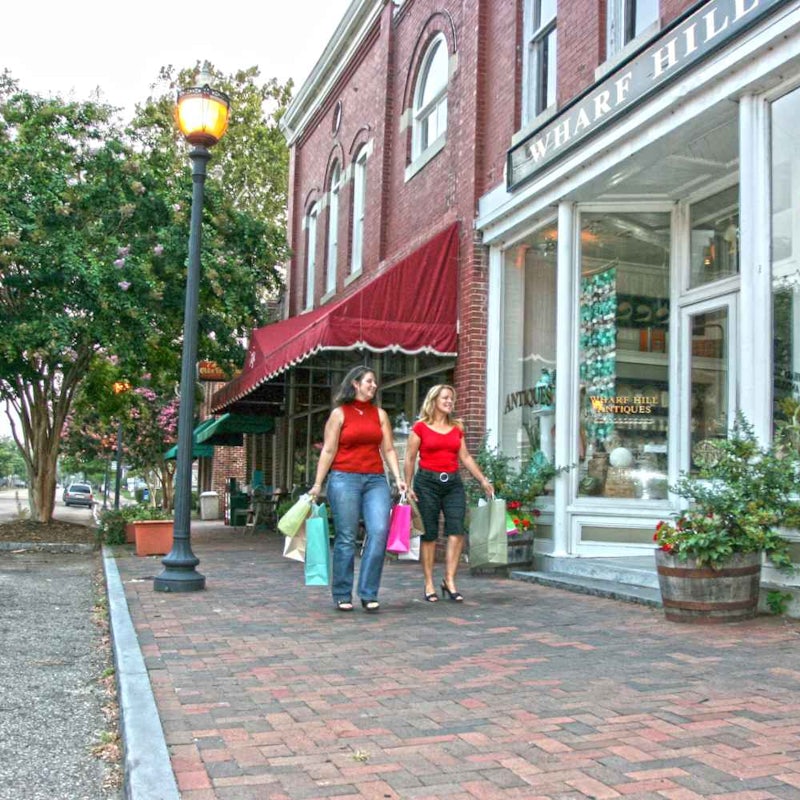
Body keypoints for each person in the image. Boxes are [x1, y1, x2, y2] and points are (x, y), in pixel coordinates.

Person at [309, 365, 407, 612]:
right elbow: (329, 451)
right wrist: (318, 484)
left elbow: (388, 450)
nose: (374, 386)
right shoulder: (339, 414)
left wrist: (398, 478)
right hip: (344, 478)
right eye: (369, 381)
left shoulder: (380, 415)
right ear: (355, 383)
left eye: (374, 382)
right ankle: (342, 593)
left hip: (375, 480)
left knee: (380, 531)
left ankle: (368, 592)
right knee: (346, 537)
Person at [404, 384, 493, 602]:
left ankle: (449, 580)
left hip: (453, 483)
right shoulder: (420, 427)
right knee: (430, 534)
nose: (449, 402)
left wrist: (482, 480)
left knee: (456, 530)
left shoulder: (456, 428)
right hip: (427, 483)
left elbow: (466, 457)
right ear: (434, 400)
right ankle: (428, 584)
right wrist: (407, 486)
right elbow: (409, 458)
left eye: (451, 399)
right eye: (445, 398)